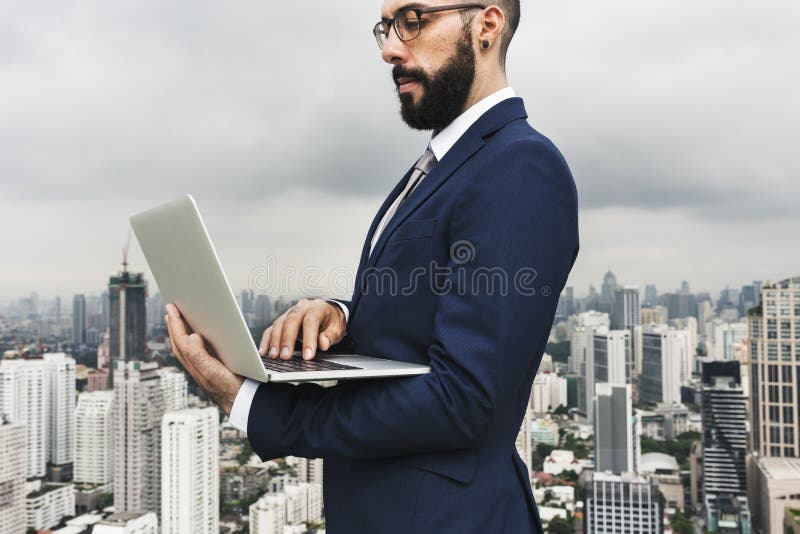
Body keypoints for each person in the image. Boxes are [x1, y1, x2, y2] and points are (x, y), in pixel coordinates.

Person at [165, 1, 579, 532]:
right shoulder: (445, 165)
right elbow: (422, 313)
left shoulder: (519, 166)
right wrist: (340, 315)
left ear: (487, 25)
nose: (389, 49)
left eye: (413, 20)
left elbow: (465, 399)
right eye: (386, 28)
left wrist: (255, 406)